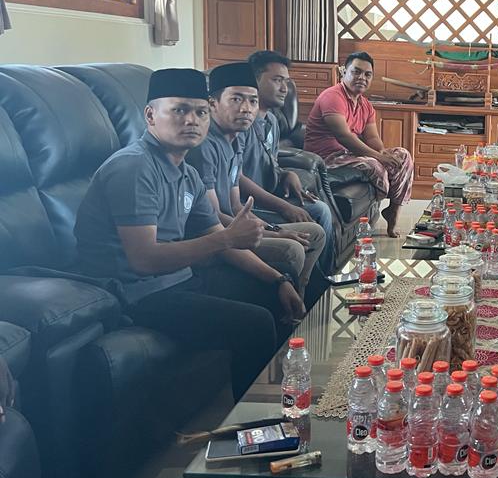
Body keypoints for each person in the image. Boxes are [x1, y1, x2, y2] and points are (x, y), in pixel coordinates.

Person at [73, 68, 295, 400]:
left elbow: (218, 234)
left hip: (177, 279)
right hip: (135, 292)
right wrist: (227, 238)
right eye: (179, 110)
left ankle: (277, 398)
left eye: (201, 112)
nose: (192, 120)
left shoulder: (187, 173)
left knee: (273, 292)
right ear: (151, 115)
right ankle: (254, 420)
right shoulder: (133, 167)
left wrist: (279, 279)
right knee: (256, 322)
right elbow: (144, 259)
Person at [189, 62, 325, 301]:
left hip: (232, 225)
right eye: (236, 99)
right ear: (212, 104)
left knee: (315, 233)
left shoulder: (234, 140)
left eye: (252, 101)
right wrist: (276, 235)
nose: (246, 109)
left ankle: (301, 296)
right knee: (292, 248)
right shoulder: (205, 146)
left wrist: (273, 229)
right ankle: (289, 303)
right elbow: (214, 217)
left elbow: (236, 206)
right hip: (212, 238)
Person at [241, 50, 336, 275]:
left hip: (269, 196)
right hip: (249, 206)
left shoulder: (272, 121)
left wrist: (285, 174)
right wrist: (283, 206)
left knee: (318, 207)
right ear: (255, 80)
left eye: (286, 81)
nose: (285, 88)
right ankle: (320, 281)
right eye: (277, 80)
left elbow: (270, 160)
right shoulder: (242, 122)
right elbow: (236, 178)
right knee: (319, 213)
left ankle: (325, 276)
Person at [304, 51, 412, 237]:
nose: (362, 77)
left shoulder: (365, 105)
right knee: (374, 165)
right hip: (325, 158)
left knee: (403, 156)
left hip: (348, 155)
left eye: (367, 74)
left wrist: (383, 152)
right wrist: (378, 157)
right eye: (356, 72)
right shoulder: (332, 96)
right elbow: (344, 136)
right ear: (343, 72)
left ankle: (393, 210)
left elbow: (372, 138)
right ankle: (379, 202)